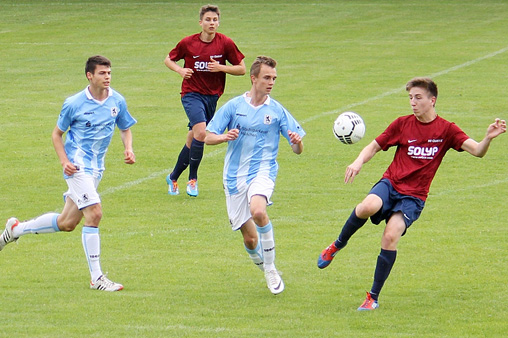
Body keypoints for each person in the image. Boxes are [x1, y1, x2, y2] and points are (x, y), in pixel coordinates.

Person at [318, 77, 506, 310]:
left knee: (390, 235)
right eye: (410, 98)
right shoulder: (402, 124)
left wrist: (488, 137)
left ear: (432, 100)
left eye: (418, 98)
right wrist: (358, 161)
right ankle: (337, 245)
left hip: (413, 197)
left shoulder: (447, 130)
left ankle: (372, 297)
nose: (413, 103)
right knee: (367, 206)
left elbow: (477, 151)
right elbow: (374, 145)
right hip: (391, 184)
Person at [0, 55, 137, 292]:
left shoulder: (117, 100)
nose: (107, 77)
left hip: (96, 169)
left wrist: (128, 148)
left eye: (109, 73)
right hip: (77, 167)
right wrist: (64, 162)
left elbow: (124, 127)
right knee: (94, 213)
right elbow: (56, 134)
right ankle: (97, 278)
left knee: (67, 223)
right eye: (102, 73)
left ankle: (15, 230)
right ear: (89, 76)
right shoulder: (74, 103)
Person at [205, 56, 305, 295]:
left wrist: (296, 143)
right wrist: (223, 137)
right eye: (267, 78)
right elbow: (208, 136)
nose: (271, 82)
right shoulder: (234, 106)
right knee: (250, 241)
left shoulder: (277, 111)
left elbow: (297, 149)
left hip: (263, 170)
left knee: (259, 210)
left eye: (274, 78)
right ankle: (264, 265)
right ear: (253, 78)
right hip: (234, 177)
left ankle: (270, 268)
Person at [164, 4, 246, 197]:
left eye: (215, 20)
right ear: (201, 22)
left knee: (193, 137)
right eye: (208, 20)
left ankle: (173, 176)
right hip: (191, 94)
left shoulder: (225, 43)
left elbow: (241, 68)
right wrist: (180, 70)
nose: (212, 23)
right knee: (201, 133)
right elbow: (169, 59)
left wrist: (221, 68)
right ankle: (193, 179)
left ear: (218, 22)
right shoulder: (188, 43)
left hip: (212, 96)